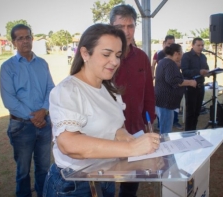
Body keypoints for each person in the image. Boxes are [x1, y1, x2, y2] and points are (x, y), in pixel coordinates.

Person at [43, 23, 160, 197]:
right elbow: (68, 144)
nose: (115, 62)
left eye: (118, 55)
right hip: (74, 185)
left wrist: (126, 138)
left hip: (105, 178)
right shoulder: (68, 91)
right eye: (106, 54)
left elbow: (115, 128)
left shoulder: (109, 88)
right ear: (85, 53)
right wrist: (132, 149)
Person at [0, 24, 54, 197]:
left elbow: (51, 89)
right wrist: (33, 116)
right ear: (14, 42)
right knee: (23, 172)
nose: (25, 41)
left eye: (27, 37)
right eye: (20, 38)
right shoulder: (8, 67)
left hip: (44, 125)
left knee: (44, 169)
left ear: (32, 38)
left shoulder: (42, 63)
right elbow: (9, 100)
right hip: (21, 127)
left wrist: (44, 110)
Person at [109, 4, 156, 197]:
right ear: (111, 27)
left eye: (130, 26)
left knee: (132, 180)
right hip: (109, 132)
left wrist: (149, 121)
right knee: (109, 178)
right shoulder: (105, 58)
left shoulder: (142, 57)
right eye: (121, 27)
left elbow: (149, 93)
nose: (126, 32)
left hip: (137, 129)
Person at [155, 43, 197, 134]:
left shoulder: (163, 61)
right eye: (181, 52)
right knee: (166, 131)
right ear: (177, 53)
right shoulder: (170, 63)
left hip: (162, 101)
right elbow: (173, 80)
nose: (182, 55)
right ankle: (165, 146)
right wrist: (190, 82)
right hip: (166, 102)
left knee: (164, 128)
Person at [181, 37, 209, 131]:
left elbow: (206, 68)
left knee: (197, 111)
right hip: (190, 87)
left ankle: (193, 130)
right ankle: (188, 133)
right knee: (190, 112)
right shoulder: (186, 56)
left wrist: (208, 72)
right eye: (198, 45)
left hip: (201, 86)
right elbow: (185, 71)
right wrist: (199, 72)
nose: (201, 47)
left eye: (202, 45)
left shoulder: (203, 57)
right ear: (192, 45)